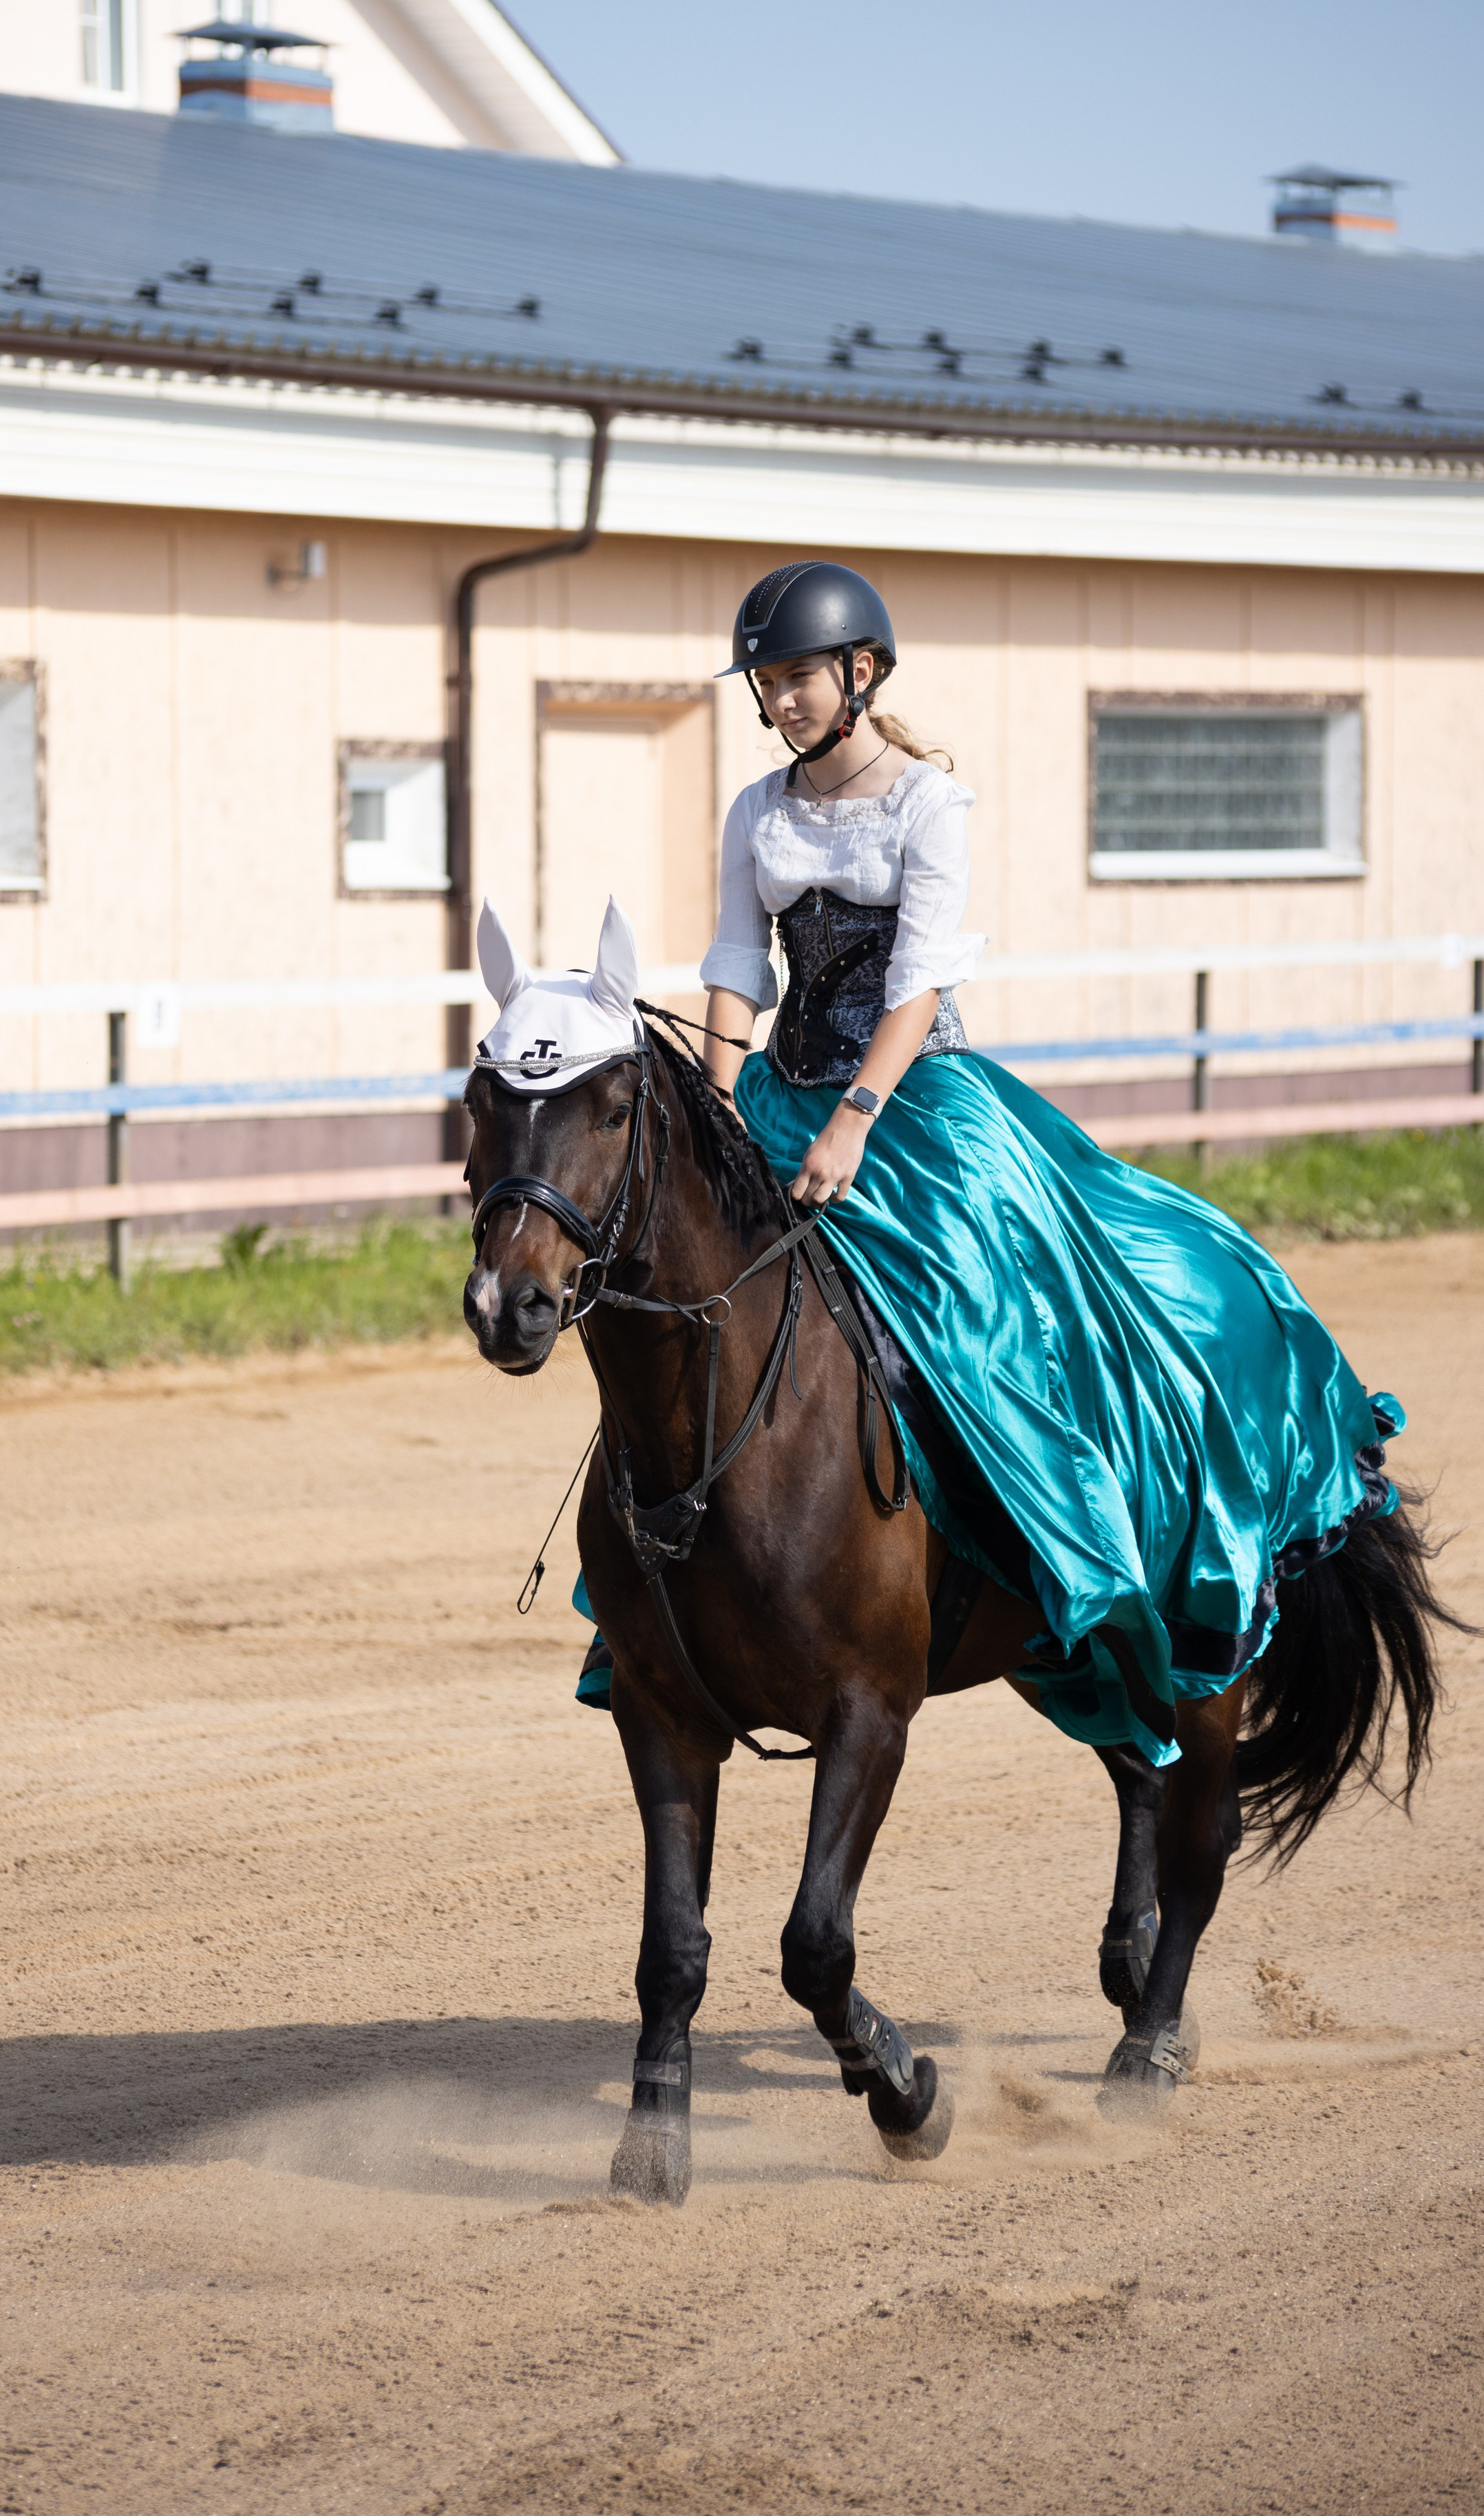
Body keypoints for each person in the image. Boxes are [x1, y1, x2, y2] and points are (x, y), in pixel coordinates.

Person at [572, 559, 1399, 1764]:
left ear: (861, 673)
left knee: (980, 1320)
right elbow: (739, 965)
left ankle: (1070, 1552)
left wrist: (856, 1117)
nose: (780, 698)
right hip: (782, 1093)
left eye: (798, 675)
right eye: (767, 679)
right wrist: (711, 1103)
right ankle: (658, 1589)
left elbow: (917, 984)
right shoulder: (760, 810)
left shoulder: (927, 806)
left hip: (920, 1106)